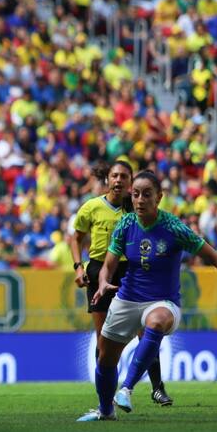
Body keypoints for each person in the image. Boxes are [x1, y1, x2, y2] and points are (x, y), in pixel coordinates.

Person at [78, 171, 217, 421]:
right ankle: (106, 411)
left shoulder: (174, 227)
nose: (140, 200)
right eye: (136, 194)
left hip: (164, 302)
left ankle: (127, 388)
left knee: (155, 321)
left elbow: (212, 257)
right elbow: (108, 264)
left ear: (159, 197)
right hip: (128, 298)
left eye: (146, 194)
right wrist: (102, 283)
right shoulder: (126, 224)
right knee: (106, 358)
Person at [70, 161, 173, 406]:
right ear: (107, 179)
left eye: (123, 177)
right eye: (114, 175)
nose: (118, 180)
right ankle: (104, 397)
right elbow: (75, 238)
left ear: (130, 183)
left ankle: (157, 388)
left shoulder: (136, 209)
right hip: (98, 271)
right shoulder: (91, 207)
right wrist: (77, 266)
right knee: (103, 338)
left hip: (130, 270)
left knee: (145, 333)